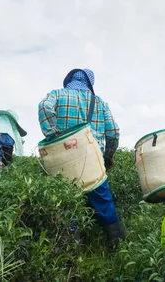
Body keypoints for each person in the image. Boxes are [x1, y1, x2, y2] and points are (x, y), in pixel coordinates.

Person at [38, 68, 124, 245]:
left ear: (69, 80)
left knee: (67, 202)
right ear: (89, 83)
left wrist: (53, 134)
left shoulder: (57, 94)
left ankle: (72, 248)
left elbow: (44, 106)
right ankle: (117, 247)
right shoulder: (99, 102)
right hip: (93, 160)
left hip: (62, 161)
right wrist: (107, 157)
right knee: (103, 201)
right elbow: (113, 132)